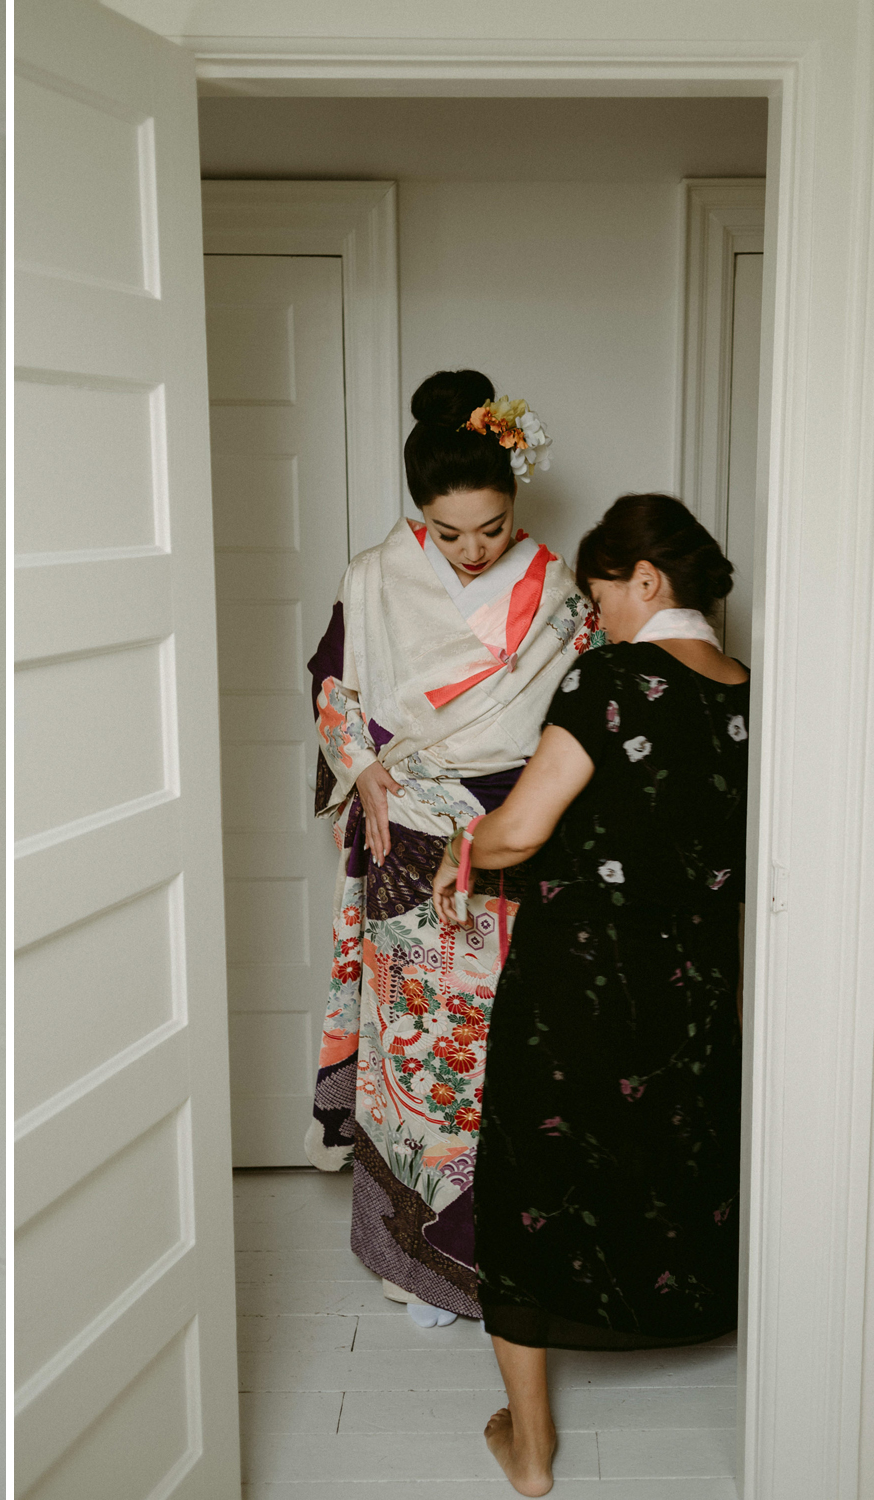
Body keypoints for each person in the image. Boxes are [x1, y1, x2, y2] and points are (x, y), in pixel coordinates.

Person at [430, 494, 749, 1496]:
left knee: (529, 1177)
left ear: (644, 581)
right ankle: (679, 1323)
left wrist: (459, 847)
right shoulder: (745, 690)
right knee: (673, 1156)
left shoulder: (610, 677)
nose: (590, 612)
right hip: (696, 985)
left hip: (582, 978)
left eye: (597, 591)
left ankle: (528, 1449)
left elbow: (521, 828)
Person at [304, 369, 597, 1327]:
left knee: (506, 1051)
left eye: (494, 527)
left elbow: (583, 715)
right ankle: (408, 1253)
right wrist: (365, 767)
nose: (474, 550)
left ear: (518, 502)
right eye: (449, 530)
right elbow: (336, 689)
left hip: (515, 839)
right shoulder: (372, 576)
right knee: (414, 1056)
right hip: (405, 839)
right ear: (418, 512)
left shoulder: (558, 590)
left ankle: (501, 1251)